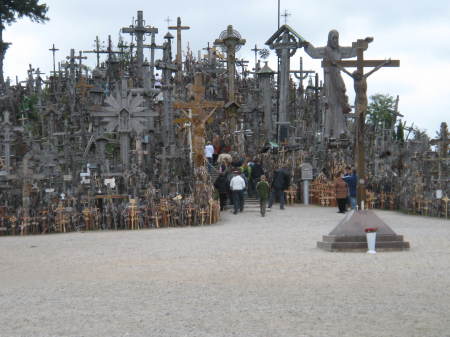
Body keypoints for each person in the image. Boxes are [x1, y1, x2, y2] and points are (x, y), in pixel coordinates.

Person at [304, 30, 369, 138]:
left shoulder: (340, 50)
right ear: (329, 39)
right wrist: (307, 46)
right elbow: (314, 53)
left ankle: (340, 130)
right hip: (329, 79)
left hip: (338, 78)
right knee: (331, 104)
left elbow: (352, 51)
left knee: (340, 103)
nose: (335, 40)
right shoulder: (325, 50)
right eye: (333, 38)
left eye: (337, 38)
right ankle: (329, 131)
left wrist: (364, 44)